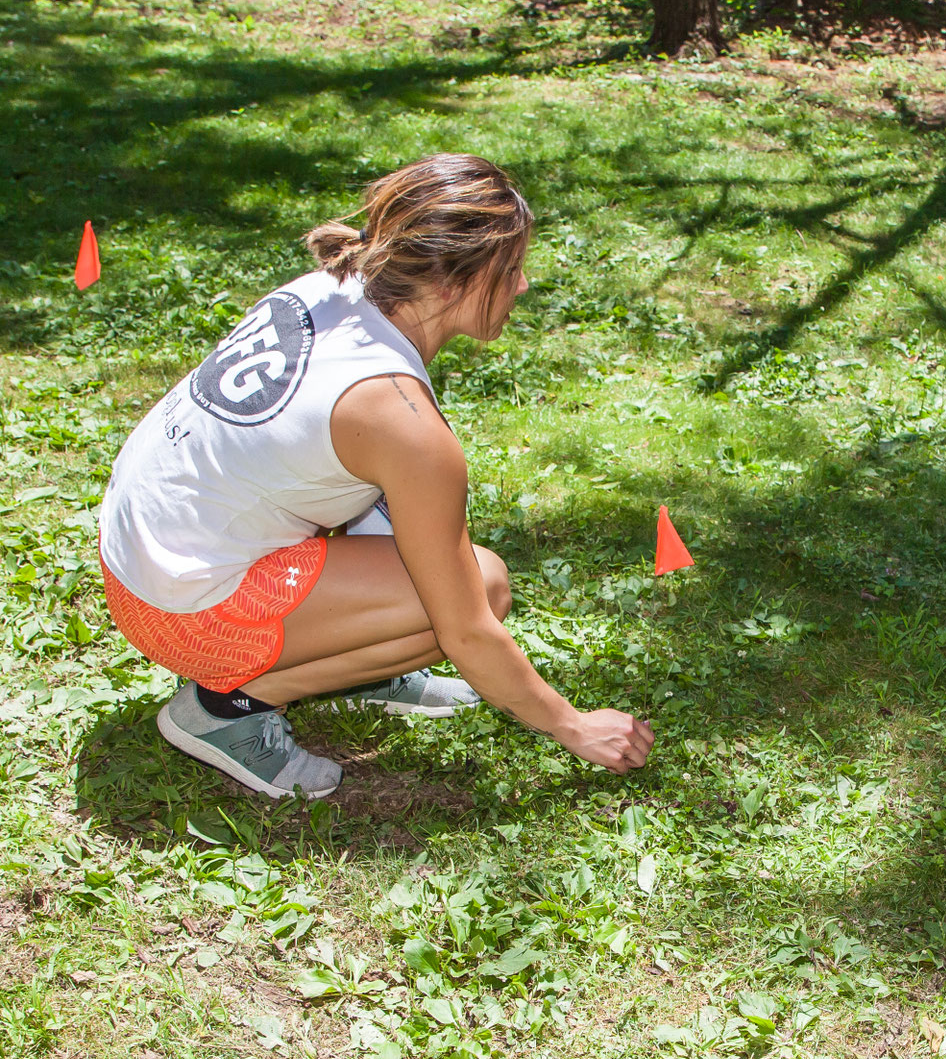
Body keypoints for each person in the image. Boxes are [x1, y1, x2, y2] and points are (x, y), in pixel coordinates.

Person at [97, 155, 653, 799]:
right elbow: (467, 629)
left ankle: (366, 661)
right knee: (484, 588)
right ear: (450, 286)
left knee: (426, 555)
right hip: (178, 609)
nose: (523, 285)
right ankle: (227, 709)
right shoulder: (399, 418)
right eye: (510, 269)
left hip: (132, 558)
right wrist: (574, 725)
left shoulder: (328, 284)